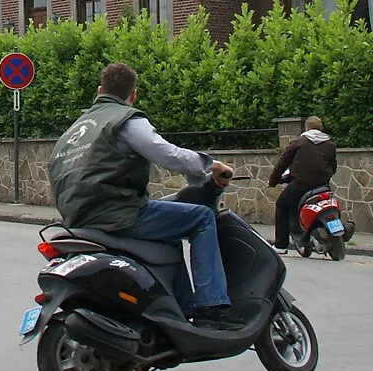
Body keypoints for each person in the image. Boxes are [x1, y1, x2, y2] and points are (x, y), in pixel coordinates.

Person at [48, 62, 237, 325]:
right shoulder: (125, 120)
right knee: (202, 217)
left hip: (78, 217)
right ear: (133, 95)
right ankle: (211, 306)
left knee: (169, 232)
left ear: (100, 90)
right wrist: (209, 165)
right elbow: (164, 152)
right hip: (119, 213)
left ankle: (181, 308)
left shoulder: (75, 130)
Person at [269, 115, 337, 251]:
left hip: (301, 184)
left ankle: (281, 245)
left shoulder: (298, 143)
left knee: (282, 205)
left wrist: (273, 181)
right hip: (322, 185)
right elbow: (333, 166)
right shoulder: (329, 144)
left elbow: (283, 163)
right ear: (321, 128)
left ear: (306, 128)